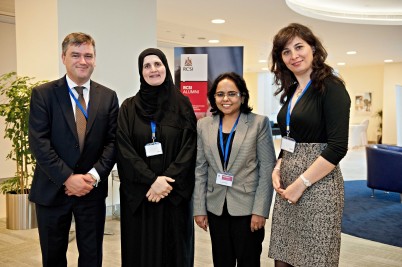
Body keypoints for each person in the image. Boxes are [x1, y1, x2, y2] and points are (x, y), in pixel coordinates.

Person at [28, 32, 119, 267]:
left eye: (88, 55)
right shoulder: (44, 94)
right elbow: (39, 142)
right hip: (52, 189)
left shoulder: (108, 97)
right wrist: (68, 178)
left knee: (91, 257)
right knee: (53, 256)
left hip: (91, 191)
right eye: (75, 55)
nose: (83, 61)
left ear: (95, 59)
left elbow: (113, 142)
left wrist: (92, 176)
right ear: (63, 57)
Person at [267, 23, 351, 267]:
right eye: (285, 51)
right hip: (288, 185)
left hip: (318, 185)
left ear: (313, 48)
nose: (294, 56)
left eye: (299, 47)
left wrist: (300, 184)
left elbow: (337, 147)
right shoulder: (291, 91)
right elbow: (289, 137)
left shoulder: (331, 87)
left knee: (314, 258)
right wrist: (277, 167)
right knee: (284, 258)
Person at [116, 48, 197, 267]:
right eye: (147, 66)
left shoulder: (182, 105)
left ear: (166, 67)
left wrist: (166, 181)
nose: (153, 70)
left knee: (175, 253)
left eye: (157, 64)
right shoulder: (128, 108)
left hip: (174, 197)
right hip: (142, 197)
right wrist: (152, 180)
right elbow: (124, 150)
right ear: (141, 72)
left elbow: (189, 149)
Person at [193, 72, 276, 267]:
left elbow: (267, 168)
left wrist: (260, 211)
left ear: (243, 96)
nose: (225, 99)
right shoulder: (204, 125)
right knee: (221, 261)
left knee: (249, 261)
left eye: (232, 93)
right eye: (220, 94)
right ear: (214, 98)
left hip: (247, 209)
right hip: (215, 208)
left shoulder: (258, 123)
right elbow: (200, 168)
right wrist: (199, 209)